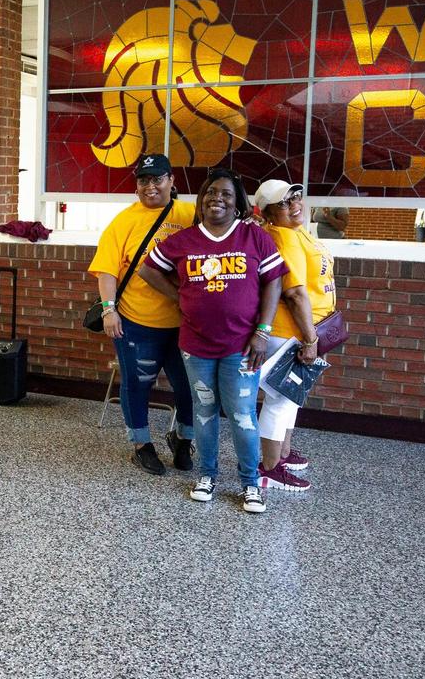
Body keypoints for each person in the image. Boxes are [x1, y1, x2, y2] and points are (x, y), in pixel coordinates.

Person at [141, 167, 287, 514]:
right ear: (201, 200)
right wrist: (180, 296)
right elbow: (149, 269)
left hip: (242, 348)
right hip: (196, 347)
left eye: (225, 194)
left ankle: (250, 483)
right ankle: (207, 475)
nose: (216, 198)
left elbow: (274, 283)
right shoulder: (184, 240)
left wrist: (262, 332)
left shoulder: (254, 238)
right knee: (204, 412)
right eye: (210, 192)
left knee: (242, 415)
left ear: (237, 203)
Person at [88, 153, 196, 475]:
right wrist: (109, 311)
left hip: (184, 325)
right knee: (136, 384)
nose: (150, 186)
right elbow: (106, 270)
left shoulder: (190, 215)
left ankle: (182, 438)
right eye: (143, 180)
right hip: (136, 322)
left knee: (190, 388)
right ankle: (141, 444)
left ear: (171, 180)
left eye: (157, 179)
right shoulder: (123, 222)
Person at [251, 180, 339, 492]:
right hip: (292, 333)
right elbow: (296, 294)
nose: (295, 205)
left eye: (296, 197)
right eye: (285, 203)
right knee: (281, 401)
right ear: (267, 213)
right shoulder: (283, 239)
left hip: (306, 331)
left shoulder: (297, 231)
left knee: (291, 399)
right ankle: (269, 468)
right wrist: (311, 340)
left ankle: (283, 454)